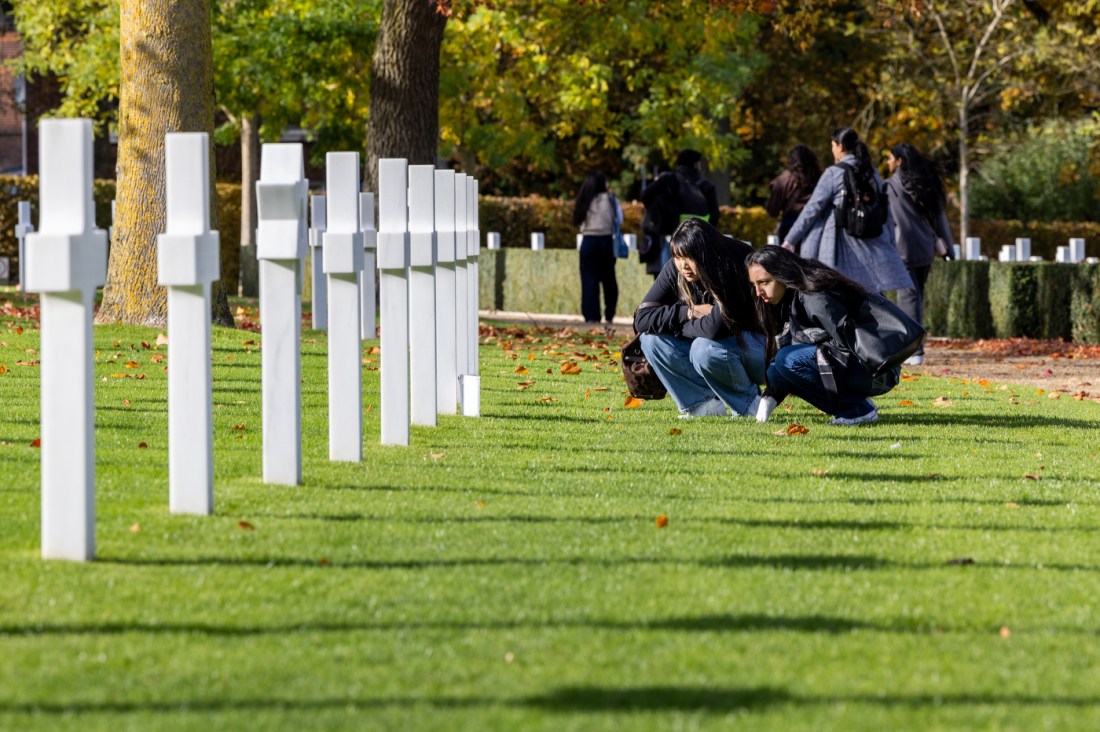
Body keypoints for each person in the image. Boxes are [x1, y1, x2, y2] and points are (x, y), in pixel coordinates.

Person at [746, 245, 904, 426]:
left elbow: (849, 345)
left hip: (877, 371)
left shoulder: (815, 298)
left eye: (764, 282)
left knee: (787, 359)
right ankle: (855, 406)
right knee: (777, 366)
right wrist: (763, 412)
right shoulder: (791, 300)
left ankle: (857, 410)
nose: (758, 292)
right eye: (754, 285)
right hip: (859, 367)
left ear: (783, 275)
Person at [634, 218, 765, 418]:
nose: (683, 265)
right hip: (724, 349)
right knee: (650, 340)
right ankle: (703, 405)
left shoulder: (734, 262)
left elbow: (715, 328)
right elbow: (641, 319)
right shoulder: (676, 268)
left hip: (763, 351)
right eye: (678, 257)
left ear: (705, 253)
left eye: (690, 257)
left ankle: (750, 404)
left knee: (704, 347)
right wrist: (688, 312)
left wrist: (676, 326)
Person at [782, 127, 912, 294]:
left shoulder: (833, 173)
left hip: (839, 247)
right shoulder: (871, 172)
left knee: (840, 295)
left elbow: (812, 209)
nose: (832, 150)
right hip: (873, 244)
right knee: (871, 299)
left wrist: (790, 240)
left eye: (833, 146)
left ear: (840, 147)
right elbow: (884, 208)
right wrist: (891, 242)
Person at [885, 143, 955, 365]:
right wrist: (949, 250)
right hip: (925, 248)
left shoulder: (889, 186)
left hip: (902, 248)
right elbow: (939, 219)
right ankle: (914, 349)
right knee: (916, 298)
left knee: (908, 298)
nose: (887, 162)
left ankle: (914, 351)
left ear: (899, 161)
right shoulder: (926, 183)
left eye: (890, 158)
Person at [639, 149, 721, 278]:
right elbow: (715, 215)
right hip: (699, 238)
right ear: (696, 164)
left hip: (670, 235)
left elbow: (645, 195)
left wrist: (658, 213)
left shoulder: (668, 179)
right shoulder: (706, 185)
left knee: (668, 276)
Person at [573, 170, 622, 323]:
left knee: (588, 281)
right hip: (606, 241)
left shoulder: (584, 200)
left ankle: (591, 316)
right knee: (609, 279)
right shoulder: (611, 199)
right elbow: (619, 219)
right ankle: (609, 312)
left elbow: (577, 221)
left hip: (588, 241)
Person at [765, 144, 822, 241]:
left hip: (789, 227)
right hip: (816, 226)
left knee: (789, 256)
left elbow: (772, 211)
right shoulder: (821, 177)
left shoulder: (784, 179)